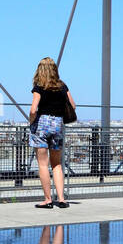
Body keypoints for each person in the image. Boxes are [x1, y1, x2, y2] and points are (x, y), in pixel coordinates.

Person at [27, 57, 77, 208]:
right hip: (57, 125)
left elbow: (33, 109)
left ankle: (48, 200)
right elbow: (73, 106)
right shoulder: (62, 86)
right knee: (57, 165)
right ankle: (61, 199)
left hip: (41, 124)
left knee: (43, 164)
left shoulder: (39, 86)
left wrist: (31, 122)